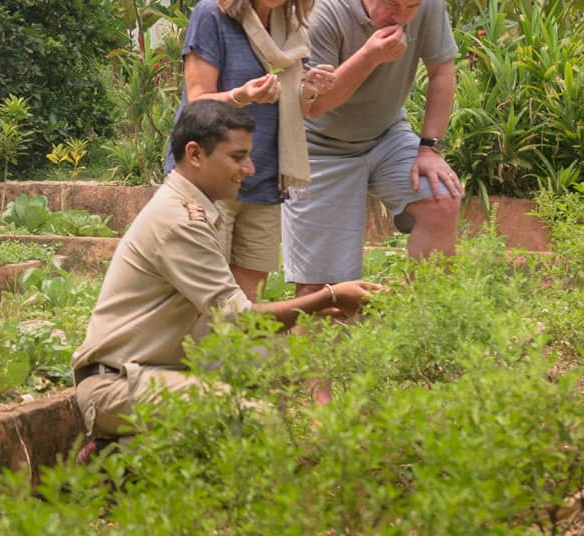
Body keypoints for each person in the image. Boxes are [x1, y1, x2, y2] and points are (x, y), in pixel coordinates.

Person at [73, 99, 378, 450]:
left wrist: (319, 308)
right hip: (116, 386)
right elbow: (240, 319)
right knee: (252, 416)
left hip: (157, 371)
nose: (249, 168)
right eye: (237, 157)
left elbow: (230, 321)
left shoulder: (197, 211)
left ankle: (128, 451)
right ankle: (122, 456)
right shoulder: (178, 221)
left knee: (277, 358)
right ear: (195, 154)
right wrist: (330, 296)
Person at [281, 0, 463, 295]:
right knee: (322, 289)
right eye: (392, 4)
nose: (402, 17)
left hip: (386, 135)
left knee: (442, 199)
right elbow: (315, 105)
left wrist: (429, 148)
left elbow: (443, 71)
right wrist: (369, 56)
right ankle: (327, 351)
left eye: (411, 8)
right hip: (317, 147)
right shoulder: (323, 9)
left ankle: (426, 328)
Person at [171, 0, 336, 300]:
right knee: (201, 301)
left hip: (262, 178)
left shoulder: (288, 27)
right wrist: (242, 96)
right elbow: (197, 103)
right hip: (209, 177)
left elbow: (292, 110)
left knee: (246, 308)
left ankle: (235, 364)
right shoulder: (212, 14)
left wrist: (308, 90)